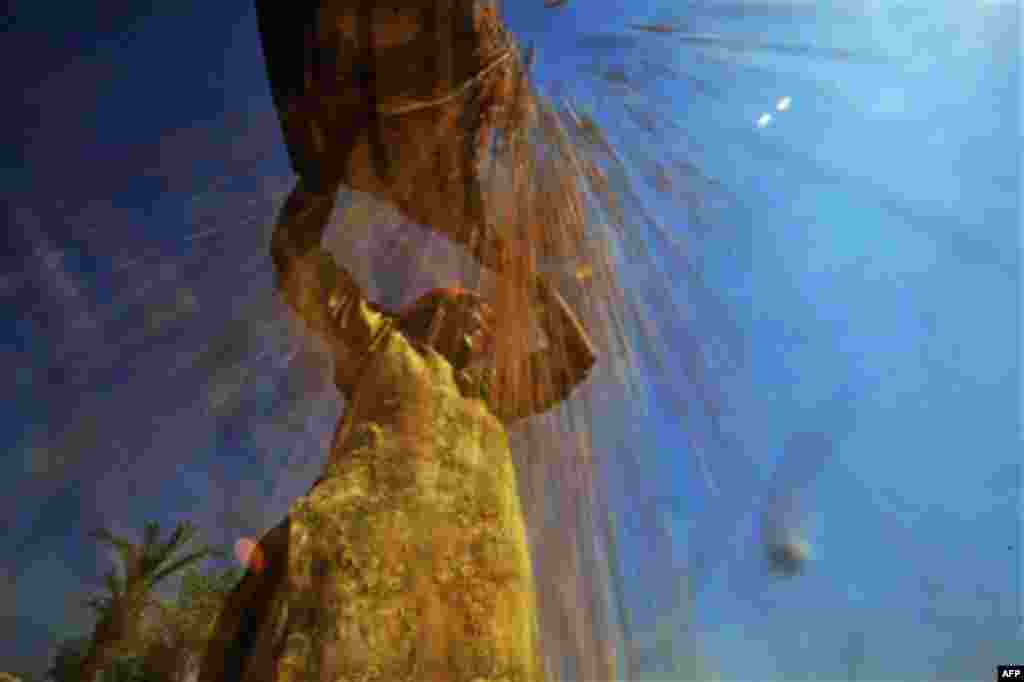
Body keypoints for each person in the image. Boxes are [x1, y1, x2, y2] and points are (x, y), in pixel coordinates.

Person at [198, 179, 596, 682]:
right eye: (466, 307)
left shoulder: (489, 396)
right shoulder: (380, 342)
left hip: (475, 594)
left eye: (486, 318)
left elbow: (576, 359)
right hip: (360, 559)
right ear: (426, 312)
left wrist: (528, 281)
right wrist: (329, 165)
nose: (483, 320)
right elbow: (294, 253)